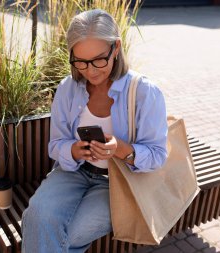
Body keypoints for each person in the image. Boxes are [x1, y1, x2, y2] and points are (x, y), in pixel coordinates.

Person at [21, 9, 168, 253]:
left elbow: (157, 155)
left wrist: (120, 149)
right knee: (36, 215)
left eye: (99, 59)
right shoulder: (67, 89)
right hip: (72, 173)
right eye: (80, 61)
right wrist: (74, 150)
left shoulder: (144, 93)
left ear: (116, 48)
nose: (90, 71)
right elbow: (55, 145)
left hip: (117, 182)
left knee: (63, 236)